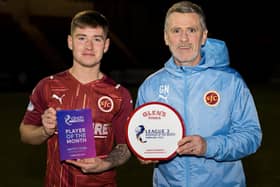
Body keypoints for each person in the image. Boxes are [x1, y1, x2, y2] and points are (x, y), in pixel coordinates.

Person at [135, 1, 262, 186]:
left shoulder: (230, 82)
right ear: (165, 37)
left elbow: (251, 136)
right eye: (176, 30)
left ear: (203, 36)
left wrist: (208, 146)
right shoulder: (151, 86)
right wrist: (142, 151)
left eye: (192, 30)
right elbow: (139, 135)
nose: (184, 39)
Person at [19, 10, 133, 187]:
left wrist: (105, 164)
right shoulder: (47, 86)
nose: (89, 46)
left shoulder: (120, 95)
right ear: (70, 42)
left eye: (96, 39)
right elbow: (25, 134)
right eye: (81, 38)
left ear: (106, 45)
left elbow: (125, 148)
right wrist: (45, 131)